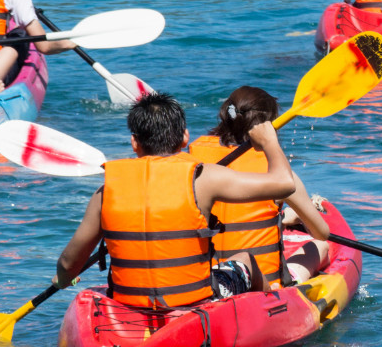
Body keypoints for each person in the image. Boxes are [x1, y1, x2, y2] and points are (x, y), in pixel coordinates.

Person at [55, 93, 296, 308]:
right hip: (194, 299)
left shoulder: (106, 191)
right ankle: (273, 310)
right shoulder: (203, 177)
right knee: (245, 260)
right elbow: (285, 183)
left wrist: (64, 279)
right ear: (184, 137)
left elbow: (68, 263)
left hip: (129, 302)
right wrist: (269, 141)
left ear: (134, 143)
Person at [188, 87, 332, 286]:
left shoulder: (193, 166)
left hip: (209, 278)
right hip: (261, 284)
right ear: (269, 128)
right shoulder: (280, 176)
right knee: (321, 246)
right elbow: (321, 232)